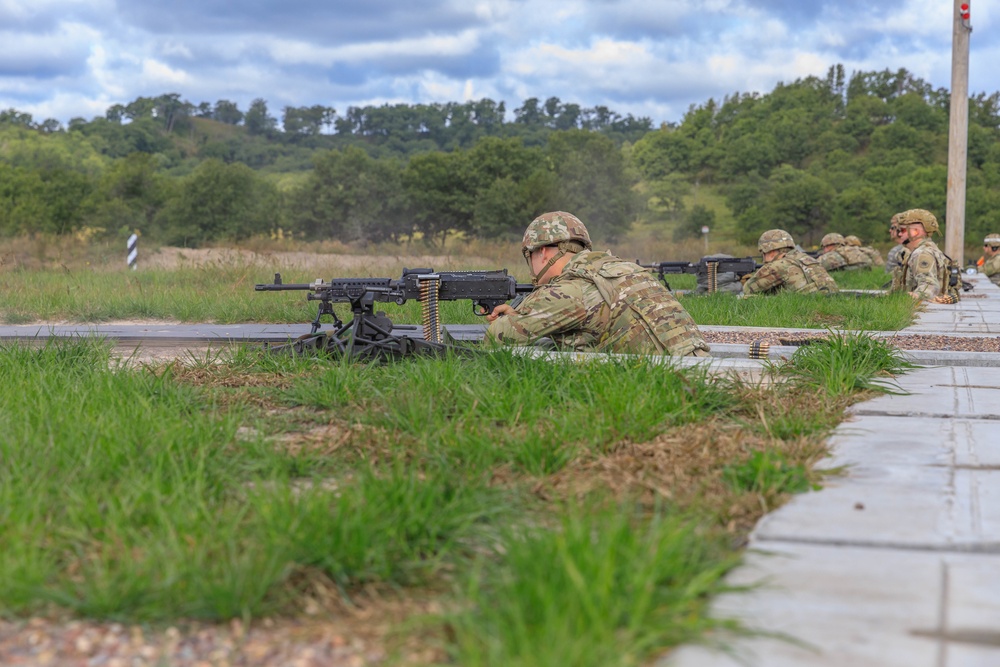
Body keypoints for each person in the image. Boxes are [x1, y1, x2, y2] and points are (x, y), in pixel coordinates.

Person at [485, 211, 711, 356]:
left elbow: (496, 338)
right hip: (695, 365)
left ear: (542, 252)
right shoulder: (620, 269)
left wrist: (509, 320)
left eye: (530, 255)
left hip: (670, 383)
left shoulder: (570, 291)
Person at [890, 208, 959, 302]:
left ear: (915, 232)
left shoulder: (922, 254)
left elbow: (930, 284)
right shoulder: (927, 250)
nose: (900, 234)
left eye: (902, 230)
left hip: (923, 310)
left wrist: (916, 296)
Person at [742, 229, 839, 295]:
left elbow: (748, 289)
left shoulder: (777, 266)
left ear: (770, 251)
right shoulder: (807, 258)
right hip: (831, 302)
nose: (764, 259)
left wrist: (745, 281)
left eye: (763, 253)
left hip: (808, 311)